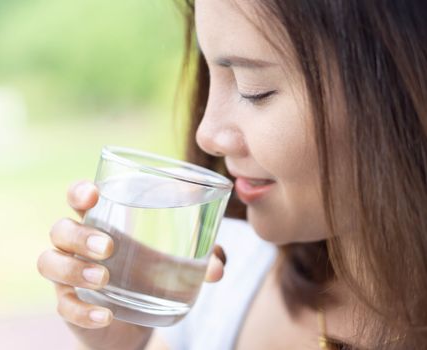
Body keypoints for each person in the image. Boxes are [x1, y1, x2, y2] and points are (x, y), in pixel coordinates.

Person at [37, 0, 427, 348]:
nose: (206, 135)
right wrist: (121, 345)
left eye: (253, 89)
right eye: (210, 78)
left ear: (401, 91)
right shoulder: (222, 285)